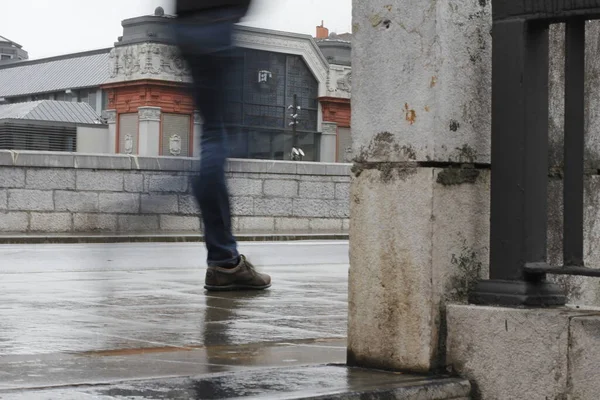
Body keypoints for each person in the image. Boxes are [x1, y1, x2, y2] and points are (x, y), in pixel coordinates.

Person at [174, 0, 271, 291]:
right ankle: (225, 261)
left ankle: (223, 258)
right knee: (220, 139)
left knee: (214, 136)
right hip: (217, 26)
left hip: (186, 29)